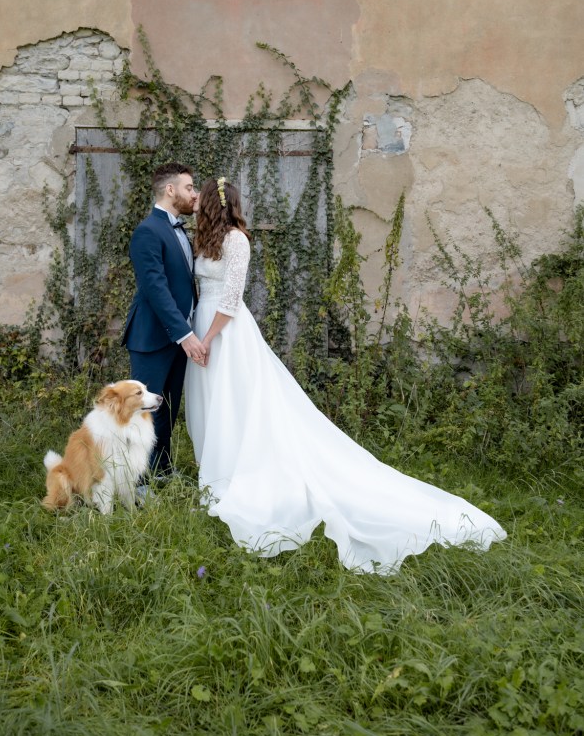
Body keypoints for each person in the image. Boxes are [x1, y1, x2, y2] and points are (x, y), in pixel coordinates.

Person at [185, 177, 507, 575]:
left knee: (237, 403)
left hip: (226, 333)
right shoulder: (204, 240)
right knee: (211, 401)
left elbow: (232, 298)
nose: (193, 200)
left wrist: (207, 339)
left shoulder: (237, 241)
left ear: (213, 204)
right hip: (202, 327)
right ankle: (217, 470)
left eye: (199, 196)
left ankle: (239, 473)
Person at [121, 162, 207, 478]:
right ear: (170, 190)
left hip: (178, 336)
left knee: (167, 408)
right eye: (189, 187)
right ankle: (138, 479)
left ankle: (161, 469)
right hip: (152, 336)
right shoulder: (147, 231)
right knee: (144, 410)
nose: (194, 194)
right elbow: (155, 288)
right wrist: (184, 333)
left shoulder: (179, 230)